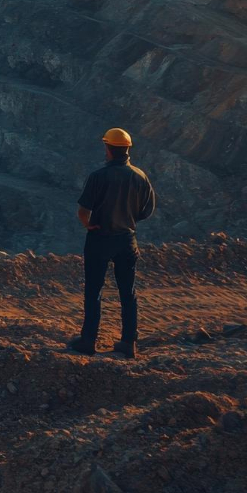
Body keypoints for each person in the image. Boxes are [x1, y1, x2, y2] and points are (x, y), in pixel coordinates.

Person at [67, 128, 155, 358]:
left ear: (108, 149)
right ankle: (128, 342)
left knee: (94, 291)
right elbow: (147, 210)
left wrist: (88, 224)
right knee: (128, 292)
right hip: (127, 240)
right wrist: (129, 218)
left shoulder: (98, 176)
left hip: (99, 239)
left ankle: (88, 340)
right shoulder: (140, 176)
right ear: (127, 150)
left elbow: (83, 210)